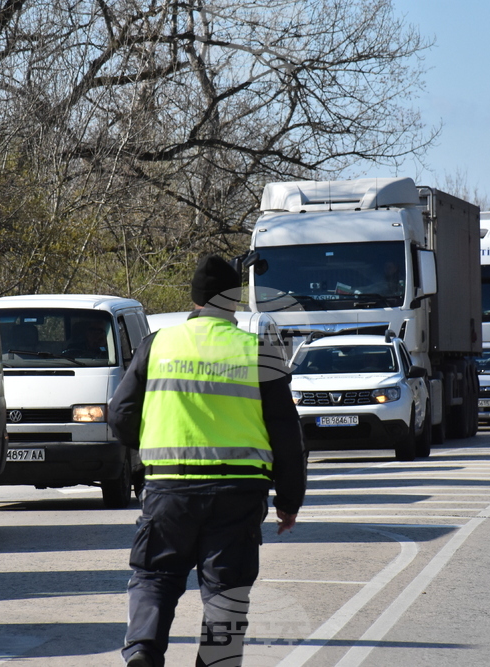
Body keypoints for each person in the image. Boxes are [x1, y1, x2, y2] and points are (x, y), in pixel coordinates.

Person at [109, 254, 306, 667]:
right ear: (233, 301)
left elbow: (120, 414)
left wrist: (149, 449)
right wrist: (289, 499)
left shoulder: (158, 344)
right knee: (227, 590)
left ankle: (143, 649)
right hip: (238, 492)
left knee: (154, 575)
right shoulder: (258, 351)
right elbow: (288, 435)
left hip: (168, 488)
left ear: (194, 298)